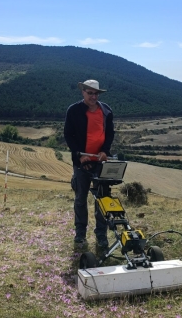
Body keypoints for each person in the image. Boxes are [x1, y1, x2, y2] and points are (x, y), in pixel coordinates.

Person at [64, 79, 115, 249]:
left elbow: (109, 134)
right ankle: (80, 233)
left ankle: (101, 235)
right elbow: (68, 135)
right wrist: (79, 155)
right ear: (83, 92)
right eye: (90, 93)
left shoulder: (106, 110)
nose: (93, 96)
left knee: (102, 198)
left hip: (100, 162)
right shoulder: (74, 110)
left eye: (96, 93)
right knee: (80, 198)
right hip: (81, 162)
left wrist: (105, 151)